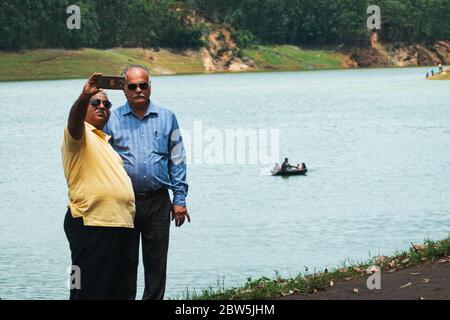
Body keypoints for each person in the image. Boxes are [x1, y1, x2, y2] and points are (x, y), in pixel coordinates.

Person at [104, 65, 190, 300]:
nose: (138, 90)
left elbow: (177, 159)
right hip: (124, 204)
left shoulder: (167, 117)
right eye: (132, 86)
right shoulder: (111, 119)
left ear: (150, 86)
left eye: (143, 85)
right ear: (124, 89)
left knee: (156, 264)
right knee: (125, 264)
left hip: (159, 201)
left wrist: (179, 199)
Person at [62, 73, 136, 300]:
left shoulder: (105, 141)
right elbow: (74, 120)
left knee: (121, 291)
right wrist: (85, 95)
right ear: (86, 106)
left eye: (107, 103)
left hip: (121, 225)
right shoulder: (78, 135)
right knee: (86, 290)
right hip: (91, 224)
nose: (102, 106)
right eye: (96, 102)